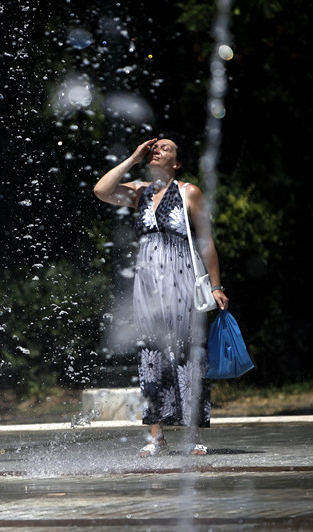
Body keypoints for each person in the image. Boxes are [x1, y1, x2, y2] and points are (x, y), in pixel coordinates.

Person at [93, 135, 229, 457]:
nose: (157, 150)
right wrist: (133, 157)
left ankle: (193, 434)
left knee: (186, 352)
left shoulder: (189, 192)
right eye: (154, 147)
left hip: (181, 278)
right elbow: (102, 190)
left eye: (165, 148)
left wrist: (216, 285)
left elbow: (206, 242)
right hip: (147, 283)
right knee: (151, 356)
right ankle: (157, 437)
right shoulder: (141, 192)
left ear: (176, 163)